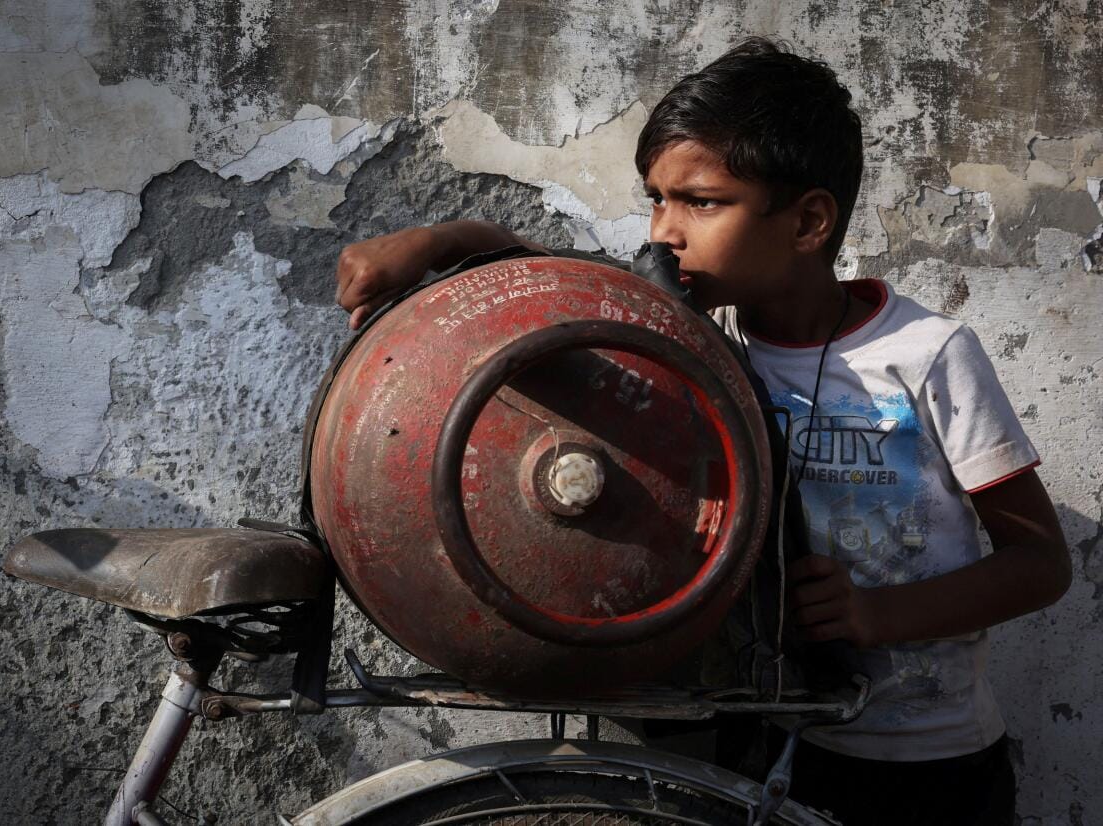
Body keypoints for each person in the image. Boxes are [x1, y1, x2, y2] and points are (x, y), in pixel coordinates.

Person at [333, 37, 1071, 826]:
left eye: (701, 202)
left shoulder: (924, 357)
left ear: (808, 221)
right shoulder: (680, 342)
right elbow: (566, 281)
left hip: (928, 761)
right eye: (655, 198)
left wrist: (876, 616)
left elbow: (1039, 564)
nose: (664, 232)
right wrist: (447, 241)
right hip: (762, 748)